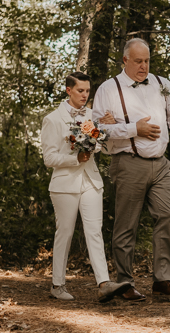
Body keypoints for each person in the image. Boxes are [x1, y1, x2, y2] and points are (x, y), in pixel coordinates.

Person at [93, 38, 170, 301]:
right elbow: (98, 130)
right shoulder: (108, 89)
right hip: (128, 162)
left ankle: (163, 279)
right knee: (127, 225)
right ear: (125, 60)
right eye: (138, 61)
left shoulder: (161, 84)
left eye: (146, 61)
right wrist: (135, 128)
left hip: (160, 164)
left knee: (167, 214)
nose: (143, 66)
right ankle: (124, 282)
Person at [41, 71, 132, 302]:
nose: (85, 95)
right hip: (64, 185)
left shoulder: (93, 116)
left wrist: (104, 130)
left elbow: (100, 146)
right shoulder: (52, 119)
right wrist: (75, 159)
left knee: (94, 232)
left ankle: (104, 283)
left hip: (91, 181)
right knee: (66, 232)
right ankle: (57, 284)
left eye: (88, 91)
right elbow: (49, 158)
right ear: (68, 90)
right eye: (80, 90)